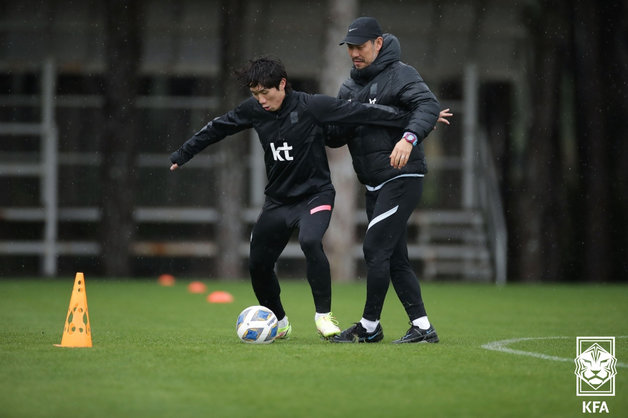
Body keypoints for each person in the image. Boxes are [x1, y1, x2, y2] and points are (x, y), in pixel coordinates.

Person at [169, 56, 413, 340]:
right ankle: (280, 321)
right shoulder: (254, 110)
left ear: (282, 84)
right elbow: (218, 127)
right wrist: (183, 153)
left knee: (310, 240)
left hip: (315, 194)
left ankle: (323, 317)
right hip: (278, 201)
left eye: (265, 92)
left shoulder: (312, 106)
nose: (260, 99)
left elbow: (363, 112)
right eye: (255, 94)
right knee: (258, 264)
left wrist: (414, 121)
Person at [329, 17, 449, 344]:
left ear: (378, 43)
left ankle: (369, 327)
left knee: (374, 247)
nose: (354, 52)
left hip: (402, 177)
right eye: (350, 47)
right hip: (373, 183)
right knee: (394, 257)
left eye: (360, 46)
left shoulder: (401, 73)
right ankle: (422, 328)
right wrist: (320, 122)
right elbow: (338, 135)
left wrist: (409, 137)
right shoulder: (349, 87)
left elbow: (426, 104)